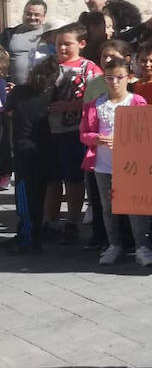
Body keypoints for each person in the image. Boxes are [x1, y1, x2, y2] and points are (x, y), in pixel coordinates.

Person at [79, 56, 152, 267]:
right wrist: (97, 139)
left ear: (129, 78)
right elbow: (84, 133)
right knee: (107, 206)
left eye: (119, 77)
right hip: (103, 163)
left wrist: (126, 141)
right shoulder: (96, 104)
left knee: (135, 206)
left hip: (131, 164)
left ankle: (142, 246)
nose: (114, 82)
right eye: (109, 77)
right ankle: (114, 244)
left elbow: (146, 132)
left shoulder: (136, 102)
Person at [45, 23, 99, 243]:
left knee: (73, 179)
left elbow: (98, 99)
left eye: (68, 44)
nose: (63, 48)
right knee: (52, 179)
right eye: (59, 44)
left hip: (73, 132)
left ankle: (73, 222)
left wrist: (71, 107)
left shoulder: (90, 69)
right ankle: (51, 221)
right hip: (48, 131)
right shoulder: (47, 66)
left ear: (81, 44)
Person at [6, 57, 59, 252]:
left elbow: (8, 110)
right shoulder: (52, 94)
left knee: (25, 198)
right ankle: (29, 234)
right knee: (39, 194)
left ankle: (27, 238)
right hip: (45, 150)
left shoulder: (19, 92)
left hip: (24, 151)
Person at [2, 0, 49, 87]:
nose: (32, 17)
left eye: (37, 15)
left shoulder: (50, 35)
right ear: (23, 14)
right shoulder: (9, 34)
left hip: (41, 90)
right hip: (14, 89)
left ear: (44, 16)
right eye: (28, 14)